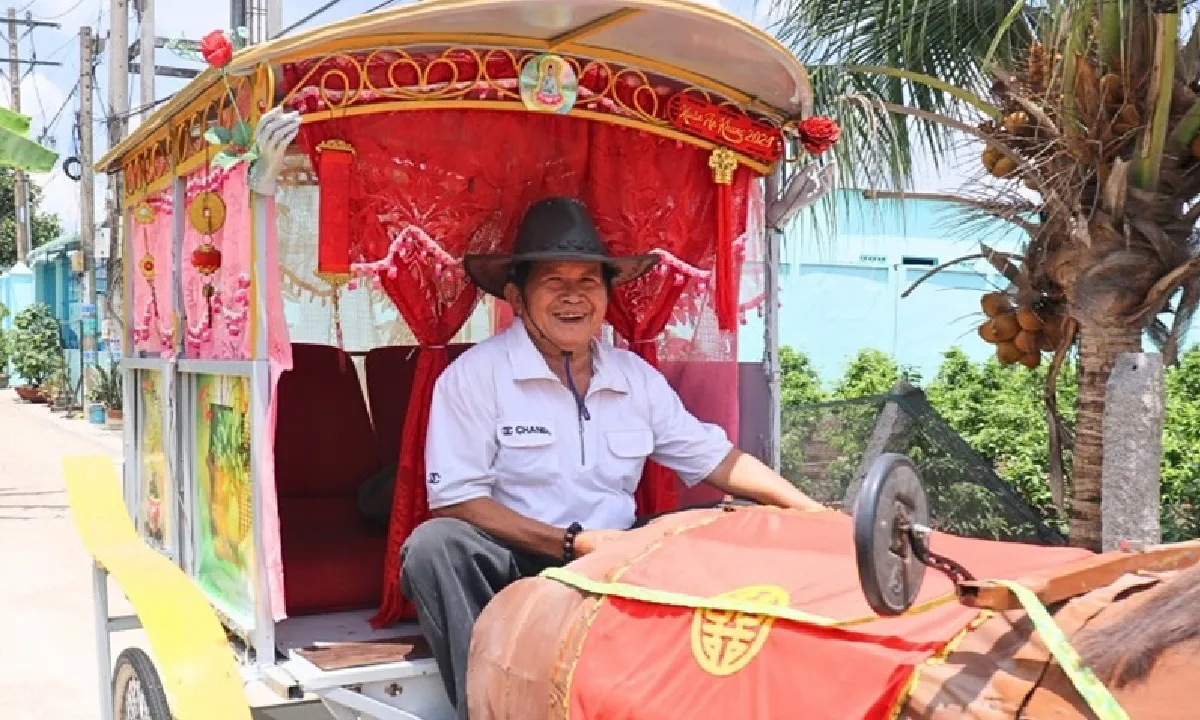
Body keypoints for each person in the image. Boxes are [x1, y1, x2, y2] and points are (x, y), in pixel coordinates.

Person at [399, 196, 824, 717]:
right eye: (555, 281)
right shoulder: (474, 376)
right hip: (517, 560)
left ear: (606, 294)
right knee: (434, 546)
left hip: (619, 556)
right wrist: (572, 542)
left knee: (732, 519)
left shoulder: (633, 376)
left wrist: (817, 516)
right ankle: (485, 707)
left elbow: (716, 458)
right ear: (517, 295)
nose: (573, 297)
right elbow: (457, 501)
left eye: (588, 282)